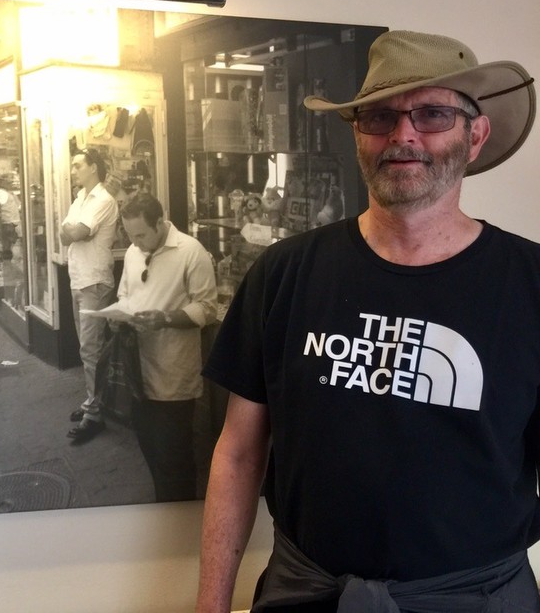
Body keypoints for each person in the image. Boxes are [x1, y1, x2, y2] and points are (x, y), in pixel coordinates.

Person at [196, 30, 539, 612]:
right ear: (358, 135)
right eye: (380, 117)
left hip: (477, 600)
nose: (403, 135)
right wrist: (210, 605)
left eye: (432, 115)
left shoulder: (532, 284)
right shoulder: (284, 273)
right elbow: (238, 452)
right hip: (306, 593)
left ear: (474, 136)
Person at [117, 194, 217, 501]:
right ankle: (164, 506)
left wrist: (164, 319)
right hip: (139, 373)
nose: (135, 242)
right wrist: (119, 315)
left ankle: (179, 519)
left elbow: (207, 308)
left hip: (174, 375)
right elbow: (124, 293)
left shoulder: (190, 251)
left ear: (160, 223)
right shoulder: (134, 252)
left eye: (141, 234)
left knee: (175, 457)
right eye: (130, 235)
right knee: (149, 447)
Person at [61, 148, 120, 445]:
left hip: (95, 282)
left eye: (78, 165)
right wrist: (72, 230)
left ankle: (94, 414)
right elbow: (64, 234)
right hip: (79, 280)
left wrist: (74, 230)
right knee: (88, 348)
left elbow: (79, 231)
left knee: (92, 350)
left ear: (93, 167)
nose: (73, 170)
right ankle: (92, 402)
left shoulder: (104, 200)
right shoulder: (80, 198)